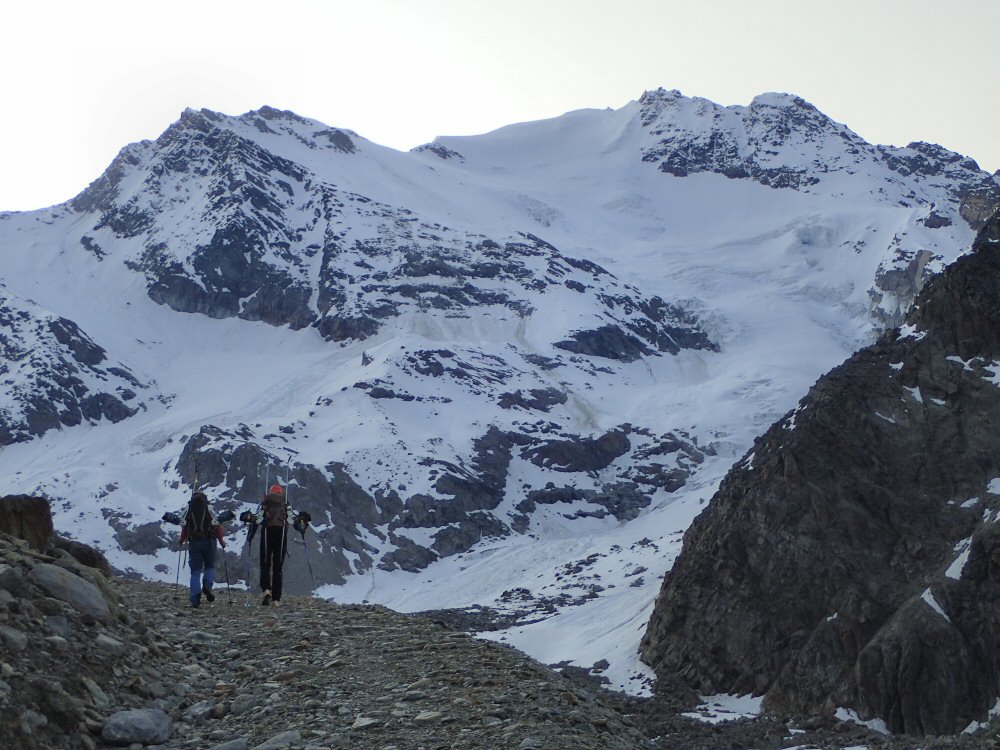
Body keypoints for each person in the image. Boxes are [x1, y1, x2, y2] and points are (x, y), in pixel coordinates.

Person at [179, 491, 226, 608]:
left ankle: (195, 598)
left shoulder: (189, 509)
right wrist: (221, 541)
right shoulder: (209, 508)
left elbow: (184, 527)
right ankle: (207, 586)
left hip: (194, 542)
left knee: (195, 571)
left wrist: (181, 540)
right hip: (209, 541)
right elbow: (218, 525)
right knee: (210, 566)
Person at [259, 483, 288, 606]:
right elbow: (291, 519)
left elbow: (258, 518)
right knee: (278, 567)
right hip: (281, 535)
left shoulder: (265, 503)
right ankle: (276, 599)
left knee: (265, 563)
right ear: (281, 493)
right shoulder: (285, 504)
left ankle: (266, 589)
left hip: (267, 533)